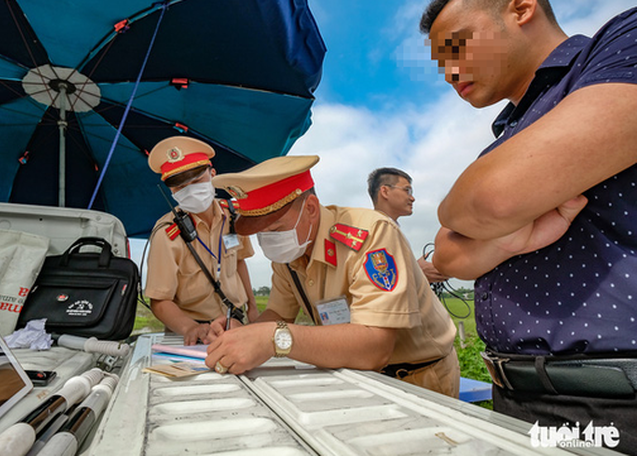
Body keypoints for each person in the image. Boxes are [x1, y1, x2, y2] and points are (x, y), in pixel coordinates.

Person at [421, 0, 637, 452]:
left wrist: (485, 216)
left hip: (614, 399)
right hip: (517, 395)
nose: (450, 72)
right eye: (442, 63)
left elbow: (494, 196)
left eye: (457, 46)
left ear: (521, 7)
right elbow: (447, 253)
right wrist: (503, 237)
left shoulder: (621, 45)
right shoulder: (509, 132)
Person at [205, 155, 459, 398]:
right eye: (261, 233)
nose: (269, 242)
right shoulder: (290, 252)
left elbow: (376, 347)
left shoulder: (371, 233)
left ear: (311, 209)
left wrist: (275, 338)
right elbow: (278, 314)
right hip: (355, 374)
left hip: (417, 378)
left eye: (275, 229)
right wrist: (241, 334)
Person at [145, 136, 258, 345]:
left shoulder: (233, 216)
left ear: (212, 174)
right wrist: (190, 328)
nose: (189, 189)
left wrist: (252, 306)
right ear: (171, 191)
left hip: (235, 322)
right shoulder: (166, 233)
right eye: (179, 186)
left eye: (196, 181)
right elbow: (160, 300)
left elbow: (240, 261)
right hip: (190, 331)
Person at [367, 167, 450, 283]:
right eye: (407, 190)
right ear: (385, 192)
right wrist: (417, 272)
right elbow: (374, 278)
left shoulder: (389, 229)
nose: (412, 198)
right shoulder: (374, 230)